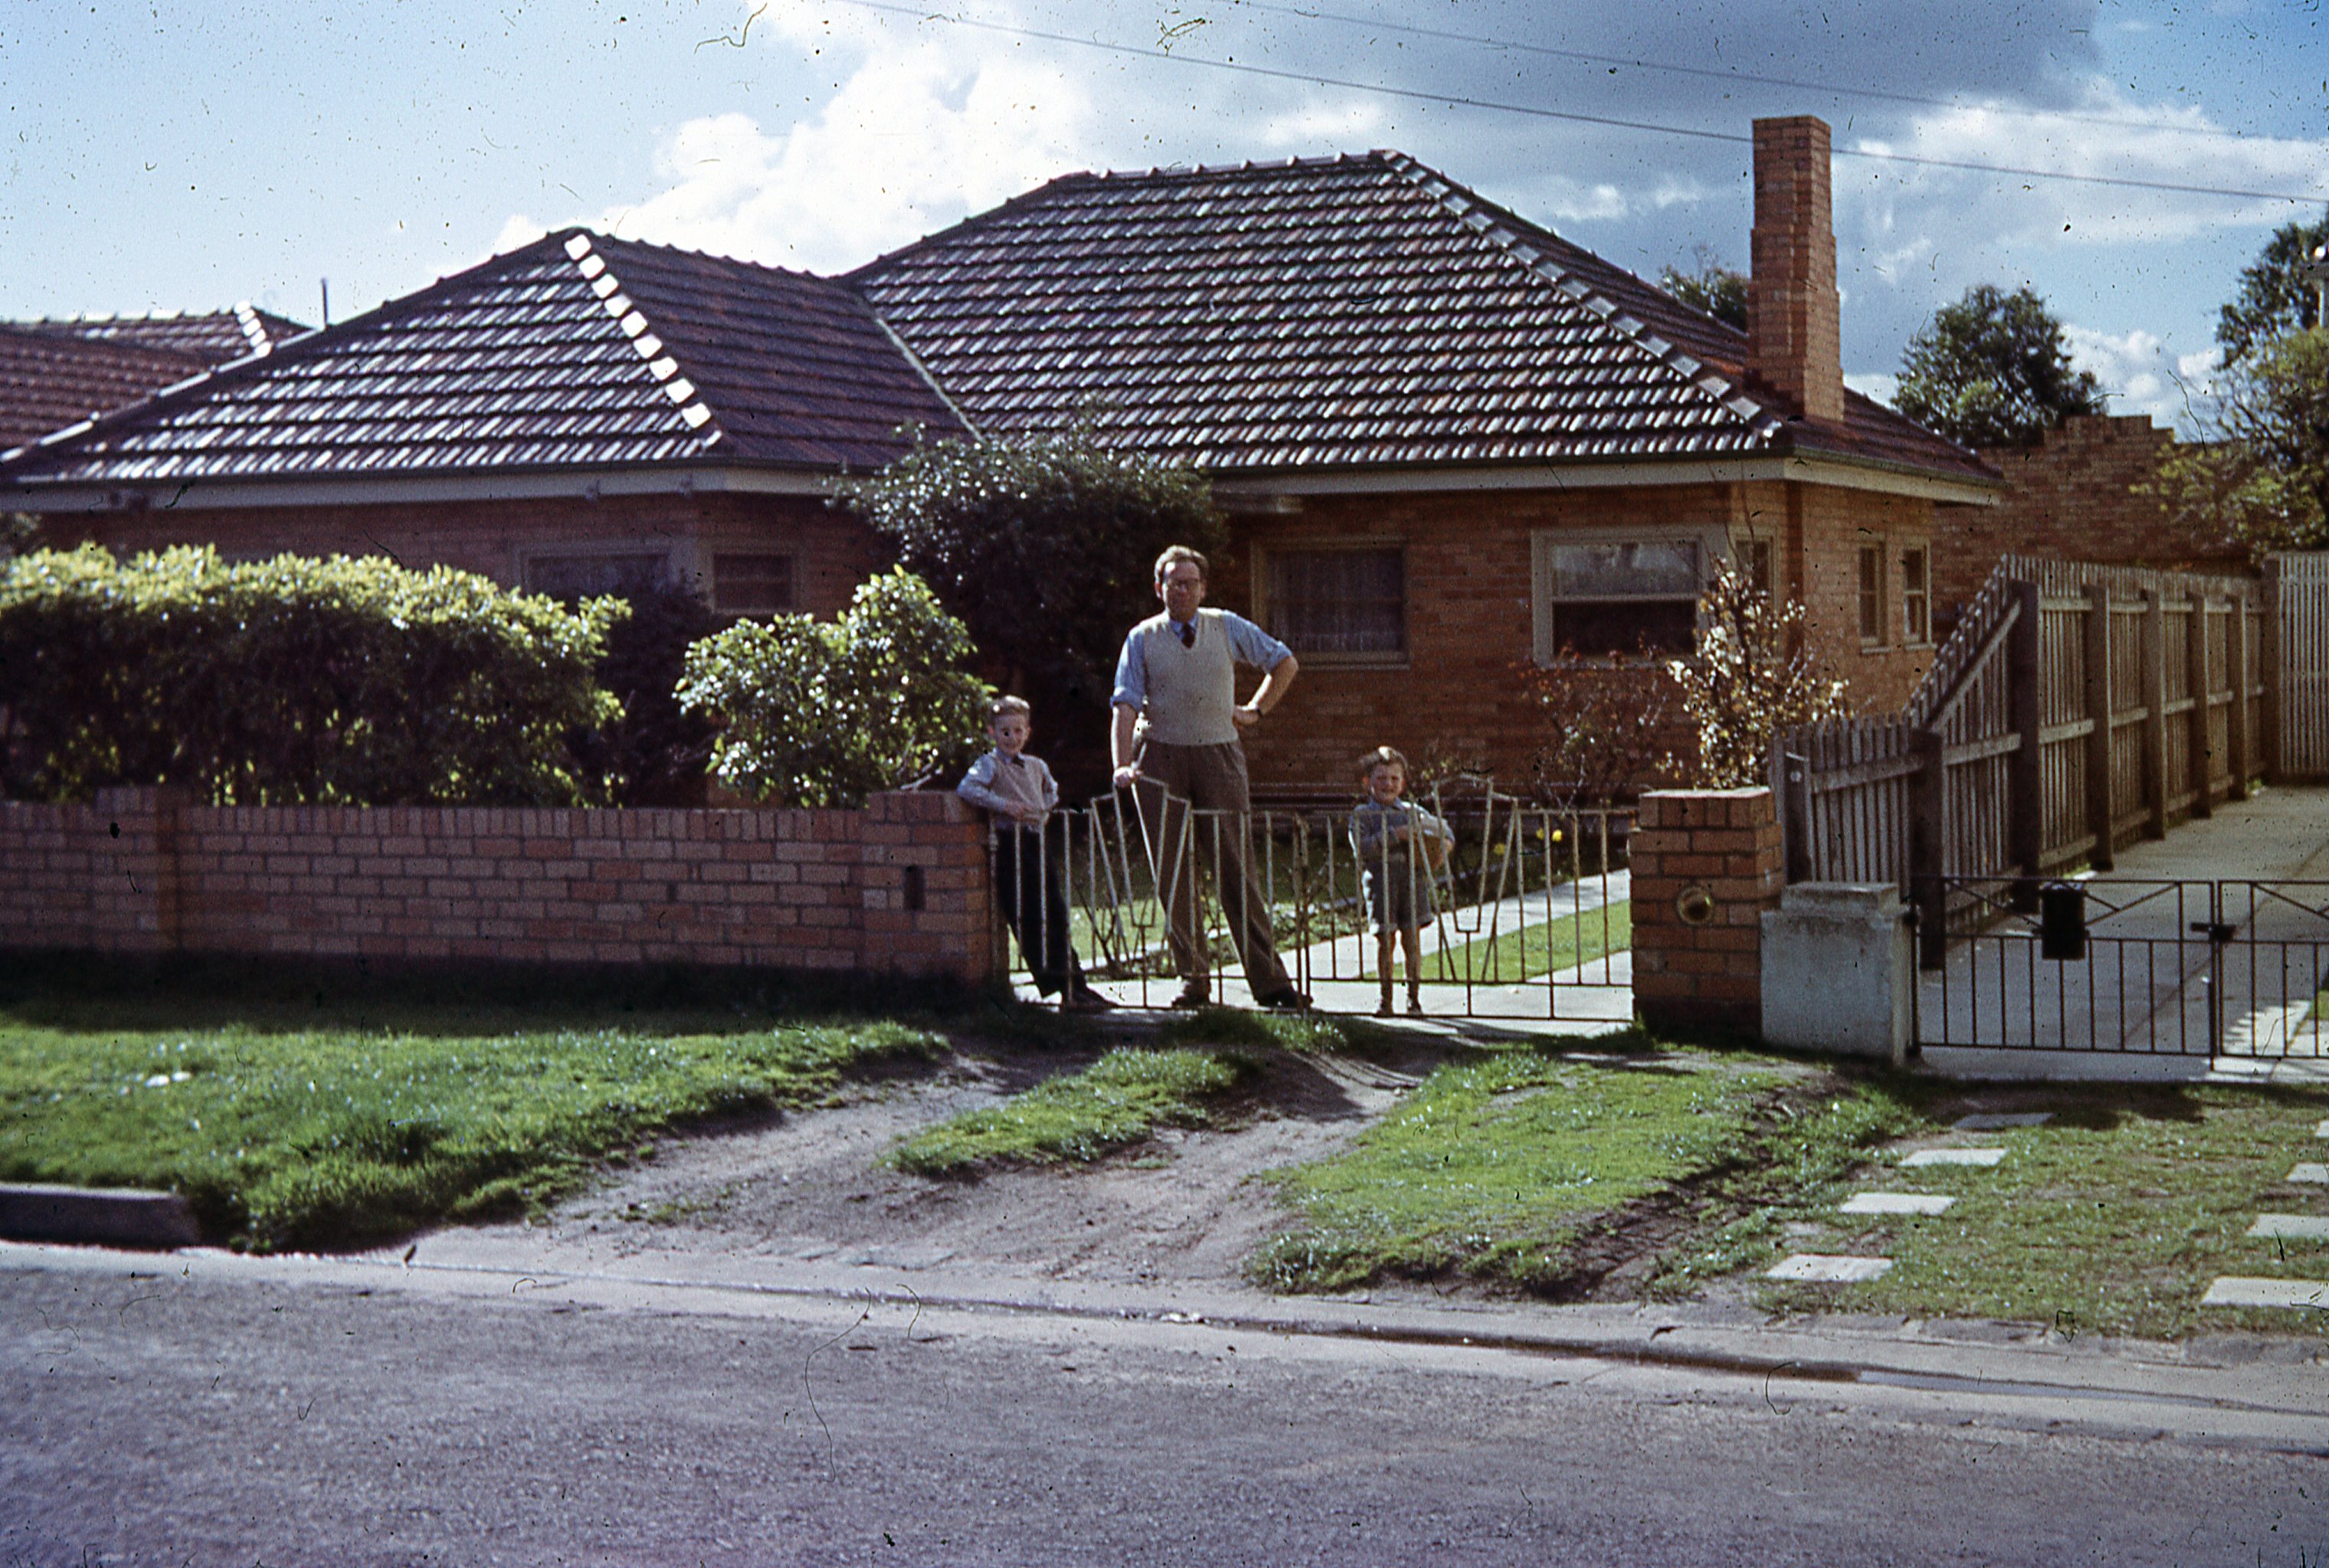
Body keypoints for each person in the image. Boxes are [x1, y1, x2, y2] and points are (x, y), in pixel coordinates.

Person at [1110, 545, 1310, 1010]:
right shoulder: (1142, 637)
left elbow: (1284, 663)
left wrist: (1256, 710)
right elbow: (1123, 704)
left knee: (1234, 866)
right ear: (1158, 588)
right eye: (1172, 583)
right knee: (1173, 872)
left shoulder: (1225, 626)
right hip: (1158, 758)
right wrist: (1123, 763)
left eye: (1190, 583)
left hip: (1219, 755)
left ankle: (1271, 984)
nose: (1181, 590)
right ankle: (1193, 980)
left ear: (1203, 588)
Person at [958, 696, 1113, 1012]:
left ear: (1027, 732)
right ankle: (1057, 983)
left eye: (1017, 731)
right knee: (1030, 912)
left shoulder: (1036, 765)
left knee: (1054, 908)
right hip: (1009, 843)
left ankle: (1075, 986)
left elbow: (1051, 791)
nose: (1011, 738)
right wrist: (1005, 806)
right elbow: (968, 789)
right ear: (991, 733)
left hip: (1034, 839)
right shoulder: (989, 764)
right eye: (1004, 732)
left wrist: (1042, 812)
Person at [1348, 745, 1453, 1016]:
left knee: (1412, 941)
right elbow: (1361, 847)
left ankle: (1413, 999)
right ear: (1367, 782)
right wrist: (1395, 835)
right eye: (1381, 778)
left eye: (1394, 779)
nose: (1388, 784)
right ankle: (1385, 1000)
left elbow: (1445, 832)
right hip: (1380, 883)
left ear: (1403, 783)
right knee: (1386, 940)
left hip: (1412, 882)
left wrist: (1440, 850)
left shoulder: (1412, 811)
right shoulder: (1362, 814)